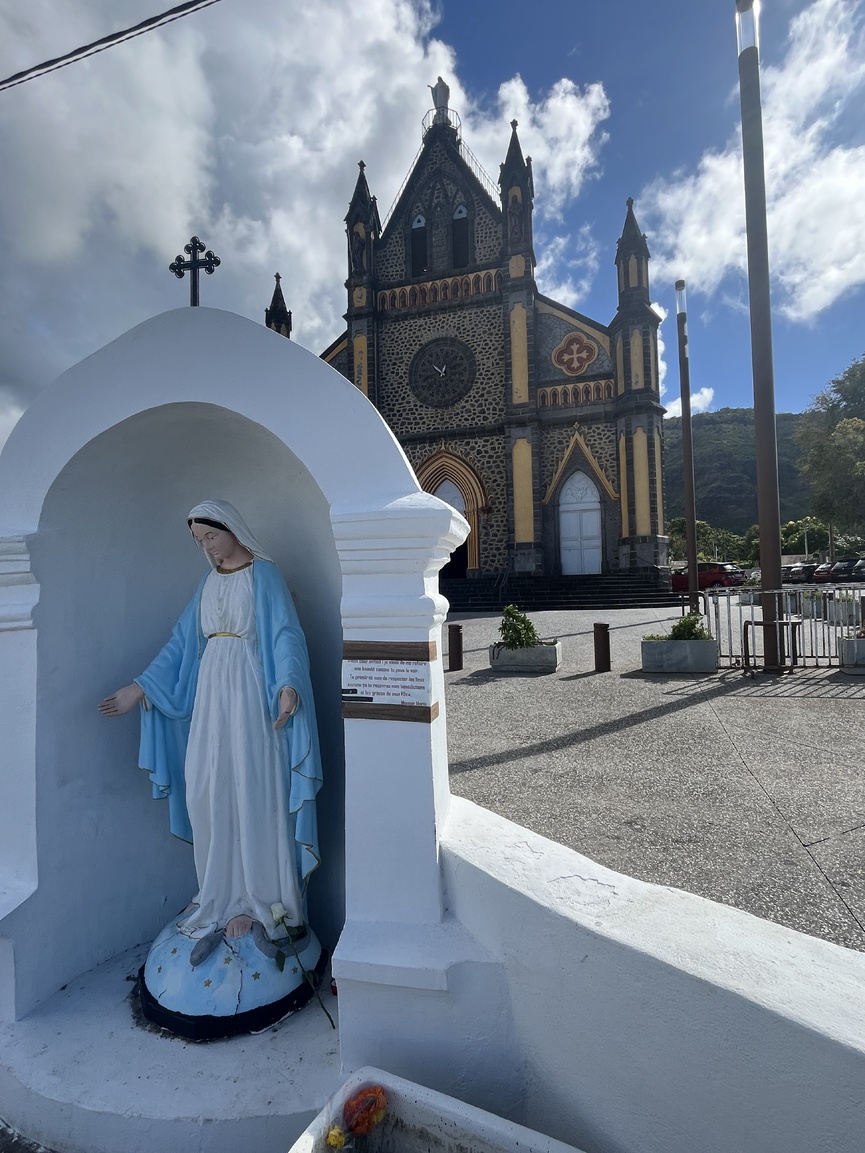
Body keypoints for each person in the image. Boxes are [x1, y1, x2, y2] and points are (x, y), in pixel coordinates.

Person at [98, 500, 322, 964]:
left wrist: (288, 685)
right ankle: (218, 892)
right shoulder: (206, 583)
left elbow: (285, 634)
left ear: (232, 529)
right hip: (210, 701)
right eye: (199, 541)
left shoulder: (266, 575)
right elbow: (181, 643)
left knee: (253, 789)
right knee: (207, 789)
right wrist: (138, 689)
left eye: (211, 537)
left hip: (249, 697)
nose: (207, 547)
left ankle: (258, 900)